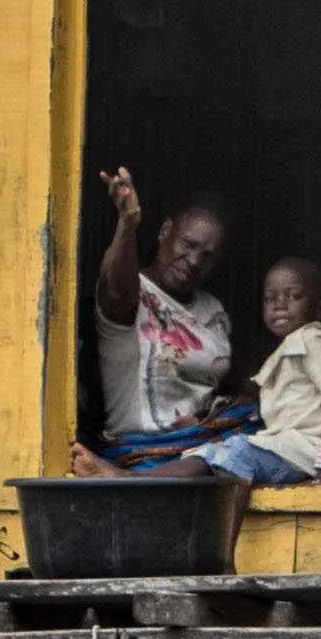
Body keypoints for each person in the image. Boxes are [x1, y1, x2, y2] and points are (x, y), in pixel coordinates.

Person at [88, 166, 236, 447]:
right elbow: (116, 289)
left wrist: (209, 418)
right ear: (166, 231)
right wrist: (128, 223)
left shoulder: (212, 308)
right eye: (188, 244)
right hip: (141, 446)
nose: (194, 261)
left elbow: (227, 384)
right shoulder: (135, 293)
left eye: (207, 256)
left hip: (199, 442)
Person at [182, 258, 321, 486]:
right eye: (270, 298)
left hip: (307, 451)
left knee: (235, 453)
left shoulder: (312, 340)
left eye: (293, 296)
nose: (279, 305)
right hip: (291, 448)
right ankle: (138, 480)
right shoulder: (288, 347)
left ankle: (140, 482)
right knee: (211, 451)